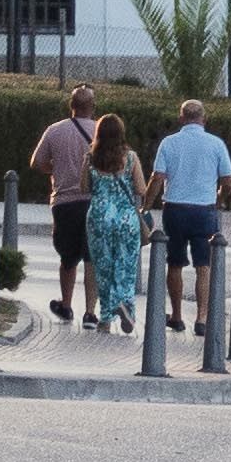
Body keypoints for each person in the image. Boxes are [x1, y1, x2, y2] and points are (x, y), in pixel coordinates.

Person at [153, 98, 231, 333]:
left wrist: (147, 204)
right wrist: (219, 199)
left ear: (181, 118)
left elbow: (157, 177)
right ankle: (202, 318)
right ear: (204, 119)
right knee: (203, 265)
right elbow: (228, 181)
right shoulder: (216, 144)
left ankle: (177, 316)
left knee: (175, 263)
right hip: (204, 210)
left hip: (175, 209)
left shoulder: (169, 143)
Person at [31, 84, 101, 327]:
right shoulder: (100, 131)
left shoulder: (55, 130)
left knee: (68, 257)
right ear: (93, 107)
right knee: (92, 257)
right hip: (94, 201)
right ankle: (90, 312)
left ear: (71, 106)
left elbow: (37, 162)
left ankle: (67, 304)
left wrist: (56, 170)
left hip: (64, 202)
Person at [84, 112, 152, 335]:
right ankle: (125, 306)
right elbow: (141, 189)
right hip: (125, 218)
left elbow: (83, 188)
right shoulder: (130, 158)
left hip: (99, 217)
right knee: (125, 265)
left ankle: (105, 319)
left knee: (103, 267)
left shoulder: (91, 158)